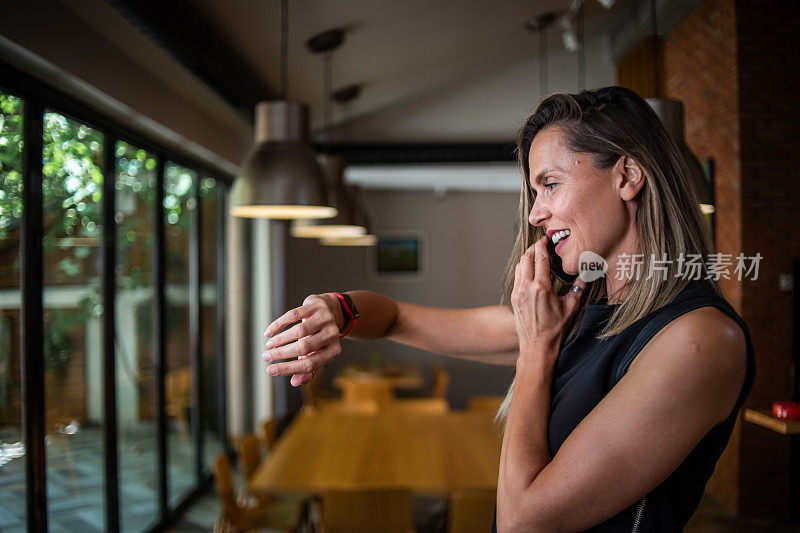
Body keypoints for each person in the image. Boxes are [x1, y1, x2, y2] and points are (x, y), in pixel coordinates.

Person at [261, 86, 755, 532]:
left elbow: (525, 521)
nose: (537, 213)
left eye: (551, 185)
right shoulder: (580, 309)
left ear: (627, 175)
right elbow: (395, 316)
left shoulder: (699, 340)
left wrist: (536, 351)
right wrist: (338, 310)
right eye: (535, 192)